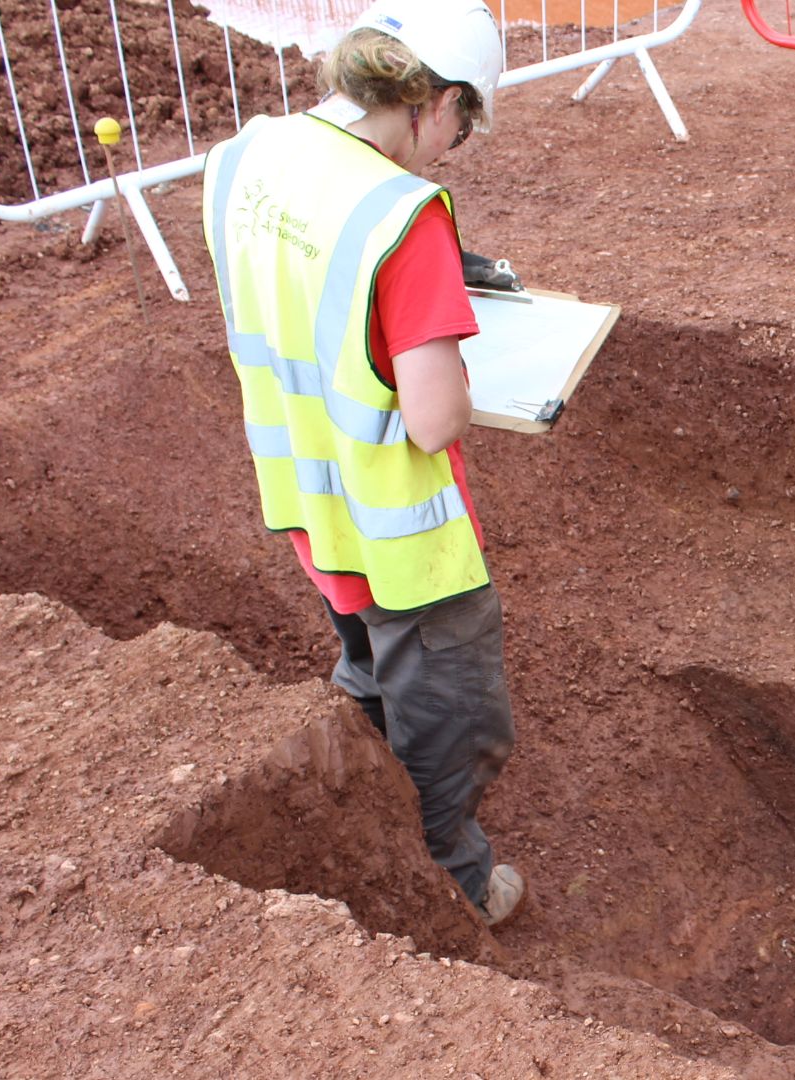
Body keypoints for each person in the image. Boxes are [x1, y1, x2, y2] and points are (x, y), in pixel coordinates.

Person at [200, 0, 525, 926]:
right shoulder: (402, 214)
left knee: (370, 665)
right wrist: (452, 347)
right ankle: (453, 876)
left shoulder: (246, 156)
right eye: (464, 124)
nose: (453, 148)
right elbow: (433, 421)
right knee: (456, 719)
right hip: (401, 527)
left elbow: (291, 282)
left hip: (310, 490)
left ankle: (354, 807)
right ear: (432, 100)